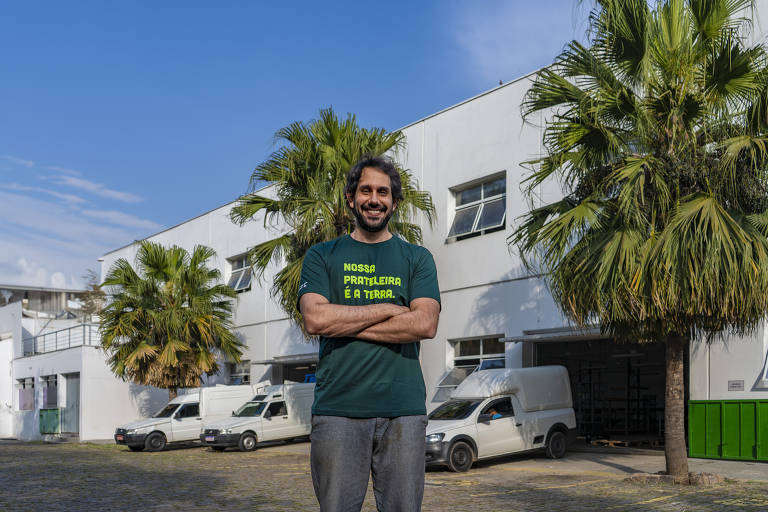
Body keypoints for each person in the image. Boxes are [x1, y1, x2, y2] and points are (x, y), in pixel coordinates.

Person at [298, 155, 441, 512]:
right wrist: (390, 309)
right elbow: (315, 320)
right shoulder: (321, 256)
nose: (374, 199)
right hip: (338, 411)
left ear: (394, 201)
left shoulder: (417, 258)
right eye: (366, 191)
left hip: (403, 411)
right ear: (350, 198)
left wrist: (344, 321)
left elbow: (425, 324)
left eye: (383, 192)